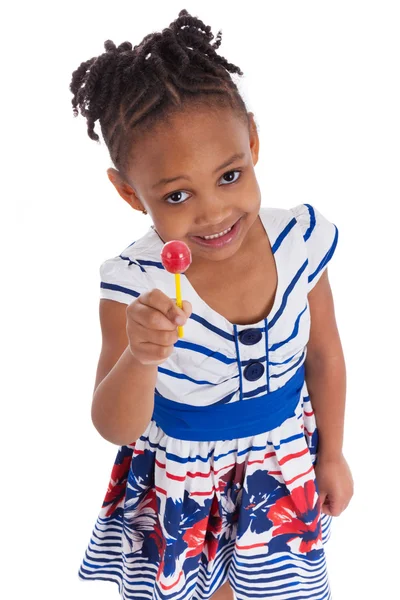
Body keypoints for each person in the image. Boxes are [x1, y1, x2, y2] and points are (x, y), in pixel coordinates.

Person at [70, 8, 354, 600]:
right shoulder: (135, 282)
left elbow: (323, 356)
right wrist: (141, 357)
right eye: (176, 194)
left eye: (229, 175)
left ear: (252, 141)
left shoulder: (299, 241)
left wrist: (334, 454)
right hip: (183, 484)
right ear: (129, 192)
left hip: (282, 465)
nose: (213, 212)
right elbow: (113, 424)